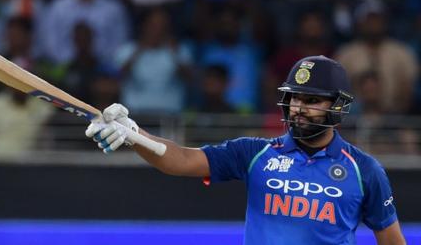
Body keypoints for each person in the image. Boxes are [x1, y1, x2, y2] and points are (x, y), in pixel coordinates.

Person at [85, 56, 406, 245]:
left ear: (337, 107)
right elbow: (180, 160)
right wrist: (134, 134)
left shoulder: (364, 170)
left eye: (311, 101)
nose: (298, 108)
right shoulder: (254, 153)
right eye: (294, 98)